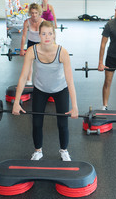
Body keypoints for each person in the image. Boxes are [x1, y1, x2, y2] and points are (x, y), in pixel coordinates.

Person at [12, 21, 78, 161]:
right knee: (36, 122)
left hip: (60, 89)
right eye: (43, 34)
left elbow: (70, 80)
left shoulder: (62, 52)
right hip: (40, 89)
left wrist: (75, 106)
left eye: (49, 33)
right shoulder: (32, 51)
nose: (47, 37)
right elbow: (23, 77)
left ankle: (64, 150)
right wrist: (16, 102)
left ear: (54, 35)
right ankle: (38, 151)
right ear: (39, 36)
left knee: (62, 123)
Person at [20, 3, 44, 85]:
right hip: (31, 43)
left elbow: (48, 36)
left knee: (41, 62)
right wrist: (22, 49)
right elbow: (23, 36)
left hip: (41, 44)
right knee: (29, 62)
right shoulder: (27, 22)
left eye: (36, 13)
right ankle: (29, 80)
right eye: (32, 13)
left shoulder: (43, 22)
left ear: (39, 13)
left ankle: (42, 81)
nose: (34, 15)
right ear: (30, 13)